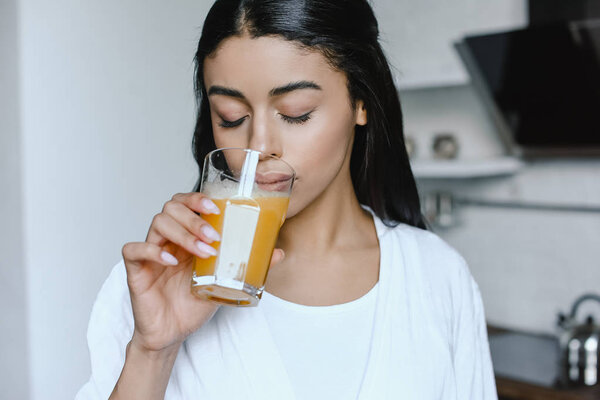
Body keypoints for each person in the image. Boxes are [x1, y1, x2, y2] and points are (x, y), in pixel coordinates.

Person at [77, 0, 497, 399]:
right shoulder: (160, 279)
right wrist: (153, 352)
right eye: (231, 117)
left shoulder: (438, 278)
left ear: (361, 101)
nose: (260, 146)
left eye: (295, 112)